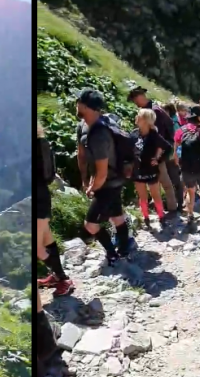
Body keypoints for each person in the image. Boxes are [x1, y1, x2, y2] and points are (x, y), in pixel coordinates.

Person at [76, 89, 130, 263]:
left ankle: (112, 253)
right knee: (117, 216)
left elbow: (102, 172)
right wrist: (84, 178)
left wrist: (92, 188)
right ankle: (124, 249)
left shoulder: (100, 134)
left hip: (109, 182)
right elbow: (82, 155)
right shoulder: (83, 127)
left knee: (90, 224)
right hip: (110, 179)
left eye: (78, 102)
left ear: (84, 106)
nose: (75, 105)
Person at [36, 122, 74, 294]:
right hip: (42, 193)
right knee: (46, 239)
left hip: (37, 197)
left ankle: (62, 279)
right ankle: (58, 276)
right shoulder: (43, 142)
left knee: (37, 248)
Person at [128, 87, 179, 214]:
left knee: (164, 180)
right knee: (158, 181)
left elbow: (159, 135)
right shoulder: (151, 109)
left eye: (135, 100)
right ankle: (162, 206)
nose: (135, 104)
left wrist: (157, 155)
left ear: (139, 97)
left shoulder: (154, 111)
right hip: (155, 150)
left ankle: (172, 209)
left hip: (158, 151)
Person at [132, 108, 172, 228]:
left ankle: (161, 216)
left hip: (150, 170)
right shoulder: (134, 133)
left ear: (145, 120)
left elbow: (168, 148)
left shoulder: (154, 136)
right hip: (137, 170)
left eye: (138, 115)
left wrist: (158, 160)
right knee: (142, 196)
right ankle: (146, 218)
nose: (136, 117)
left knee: (155, 194)